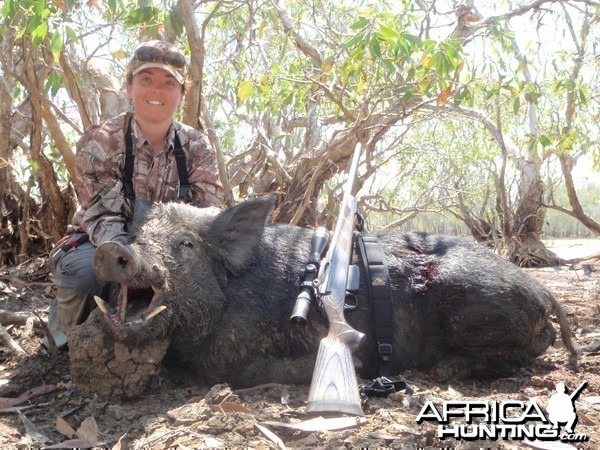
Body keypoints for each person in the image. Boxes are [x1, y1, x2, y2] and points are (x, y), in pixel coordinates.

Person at [47, 40, 224, 348]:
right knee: (86, 276)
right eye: (146, 80)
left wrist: (171, 259)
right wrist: (137, 261)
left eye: (169, 82)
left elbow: (208, 215)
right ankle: (62, 338)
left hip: (171, 250)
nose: (157, 90)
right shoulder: (100, 141)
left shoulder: (197, 146)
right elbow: (104, 218)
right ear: (129, 87)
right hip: (104, 243)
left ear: (182, 95)